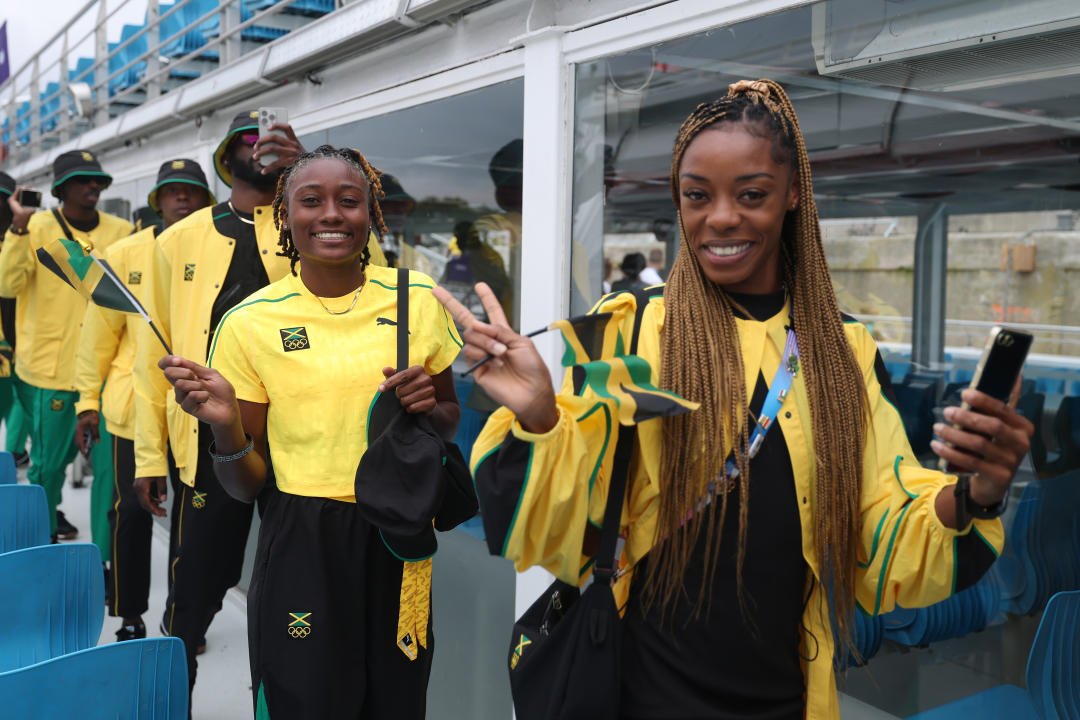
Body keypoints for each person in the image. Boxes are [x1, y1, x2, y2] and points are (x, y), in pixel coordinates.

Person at [434, 79, 1034, 719]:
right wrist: (539, 417)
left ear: (792, 195)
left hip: (789, 696)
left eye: (751, 194)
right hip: (642, 689)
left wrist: (973, 494)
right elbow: (558, 529)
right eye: (697, 196)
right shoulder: (633, 330)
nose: (720, 217)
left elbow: (882, 534)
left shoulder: (844, 353)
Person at [157, 145, 462, 717]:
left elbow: (447, 420)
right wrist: (225, 427)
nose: (330, 214)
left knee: (396, 700)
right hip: (301, 536)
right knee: (303, 700)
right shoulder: (250, 322)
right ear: (284, 215)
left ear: (371, 215)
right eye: (311, 200)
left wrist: (427, 405)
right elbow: (248, 485)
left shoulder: (416, 300)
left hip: (397, 533)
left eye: (349, 201)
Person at [131, 113, 384, 700]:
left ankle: (285, 696)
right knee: (197, 581)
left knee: (297, 589)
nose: (260, 147)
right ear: (226, 157)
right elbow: (148, 358)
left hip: (302, 444)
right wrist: (147, 456)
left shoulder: (309, 223)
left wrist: (303, 171)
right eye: (246, 140)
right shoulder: (179, 240)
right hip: (214, 437)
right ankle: (173, 693)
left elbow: (366, 287)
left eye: (271, 140)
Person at [74, 159, 214, 642]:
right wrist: (85, 403)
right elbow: (97, 338)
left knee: (190, 522)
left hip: (198, 412)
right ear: (157, 200)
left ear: (206, 200)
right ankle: (129, 613)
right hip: (132, 410)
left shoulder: (217, 250)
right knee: (130, 513)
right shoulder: (123, 252)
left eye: (191, 191)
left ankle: (184, 622)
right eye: (172, 191)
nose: (181, 199)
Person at [0, 151, 134, 542]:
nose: (92, 186)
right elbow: (6, 285)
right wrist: (18, 231)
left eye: (97, 181)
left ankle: (107, 560)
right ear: (61, 189)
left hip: (110, 372)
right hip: (51, 369)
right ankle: (42, 541)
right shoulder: (35, 227)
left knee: (109, 475)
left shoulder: (122, 231)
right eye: (81, 181)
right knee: (49, 467)